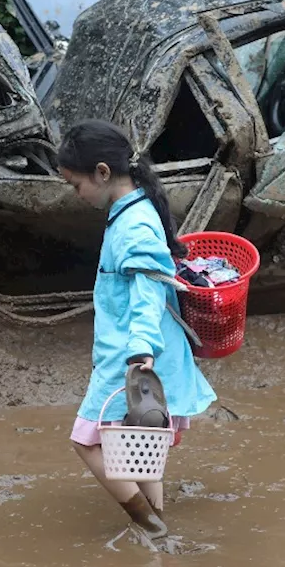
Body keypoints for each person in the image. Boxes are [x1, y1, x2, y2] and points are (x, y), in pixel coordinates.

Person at [58, 119, 218, 540]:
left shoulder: (134, 225)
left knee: (86, 440)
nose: (77, 195)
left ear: (103, 173)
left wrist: (140, 351)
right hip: (142, 345)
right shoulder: (135, 209)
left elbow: (147, 291)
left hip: (130, 351)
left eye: (76, 185)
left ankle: (151, 526)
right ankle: (160, 525)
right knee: (140, 444)